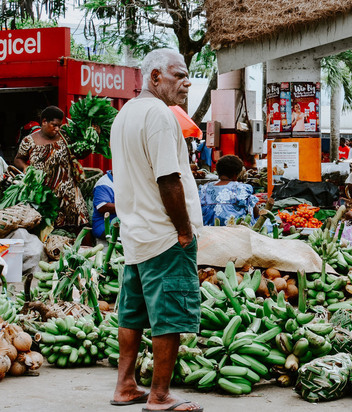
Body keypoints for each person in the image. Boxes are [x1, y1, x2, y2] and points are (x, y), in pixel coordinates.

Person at [110, 48, 203, 412]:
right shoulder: (160, 115)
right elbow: (168, 178)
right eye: (178, 75)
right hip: (164, 235)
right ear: (154, 78)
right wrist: (183, 230)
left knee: (132, 314)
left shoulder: (126, 114)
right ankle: (160, 395)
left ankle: (125, 386)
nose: (187, 82)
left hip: (135, 233)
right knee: (170, 315)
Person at [14, 106, 89, 230]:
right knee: (47, 227)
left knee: (80, 224)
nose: (57, 129)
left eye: (59, 125)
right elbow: (18, 159)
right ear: (44, 122)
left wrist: (91, 141)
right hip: (44, 194)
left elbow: (79, 154)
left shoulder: (65, 137)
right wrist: (25, 167)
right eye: (54, 125)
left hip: (68, 193)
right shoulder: (29, 140)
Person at [199, 155, 259, 226]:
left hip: (208, 231)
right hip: (236, 233)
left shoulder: (204, 188)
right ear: (236, 174)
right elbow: (255, 213)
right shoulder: (241, 188)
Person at [91, 170, 116, 239]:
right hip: (104, 225)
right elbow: (102, 207)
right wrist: (129, 207)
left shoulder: (127, 180)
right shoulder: (104, 184)